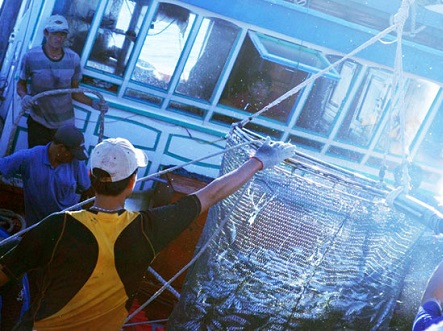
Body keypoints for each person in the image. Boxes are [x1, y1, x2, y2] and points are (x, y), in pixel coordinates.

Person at [0, 136, 295, 330]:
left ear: (91, 177)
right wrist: (258, 160)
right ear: (132, 183)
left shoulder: (57, 225)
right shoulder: (147, 229)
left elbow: (5, 272)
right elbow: (212, 194)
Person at [17, 14, 109, 148]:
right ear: (46, 33)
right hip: (38, 121)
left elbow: (75, 92)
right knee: (37, 161)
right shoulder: (31, 57)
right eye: (54, 33)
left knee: (61, 162)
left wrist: (95, 104)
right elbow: (21, 83)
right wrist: (24, 96)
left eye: (62, 34)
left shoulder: (73, 59)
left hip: (64, 125)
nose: (59, 38)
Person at [0, 124, 92, 226]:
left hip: (68, 222)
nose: (74, 158)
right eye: (73, 154)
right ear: (61, 148)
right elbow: (2, 166)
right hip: (38, 226)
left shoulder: (76, 162)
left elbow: (85, 186)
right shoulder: (29, 157)